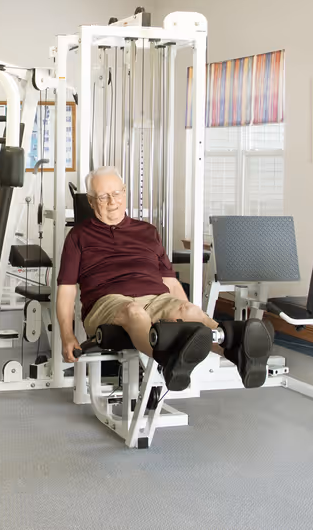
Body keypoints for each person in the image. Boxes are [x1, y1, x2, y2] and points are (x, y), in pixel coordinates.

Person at [55, 166, 275, 395]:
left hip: (156, 297)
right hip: (107, 302)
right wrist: (67, 335)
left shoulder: (147, 231)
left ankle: (236, 350)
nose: (112, 201)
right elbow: (67, 290)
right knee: (133, 311)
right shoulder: (78, 237)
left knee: (186, 309)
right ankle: (170, 360)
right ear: (91, 202)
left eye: (117, 193)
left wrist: (190, 313)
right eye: (103, 197)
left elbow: (169, 283)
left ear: (125, 192)